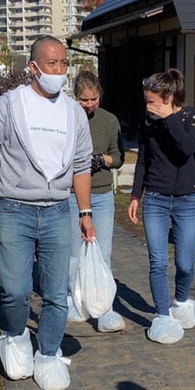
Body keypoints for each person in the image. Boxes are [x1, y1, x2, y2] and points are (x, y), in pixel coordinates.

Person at [0, 35, 95, 390]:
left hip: (58, 211)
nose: (60, 71)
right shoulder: (9, 106)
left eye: (64, 64)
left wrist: (84, 211)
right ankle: (15, 334)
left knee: (56, 292)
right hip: (14, 210)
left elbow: (82, 165)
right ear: (33, 68)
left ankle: (49, 353)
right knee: (16, 290)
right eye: (52, 64)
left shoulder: (72, 112)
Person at [128, 68, 195, 344]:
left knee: (185, 263)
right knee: (158, 262)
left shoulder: (192, 116)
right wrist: (136, 195)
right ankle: (162, 315)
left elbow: (187, 149)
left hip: (187, 201)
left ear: (169, 96)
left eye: (152, 101)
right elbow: (143, 161)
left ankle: (181, 301)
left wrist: (169, 118)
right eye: (146, 101)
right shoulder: (147, 122)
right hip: (156, 200)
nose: (148, 107)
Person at [68, 70, 126, 332]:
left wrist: (102, 160)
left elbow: (119, 157)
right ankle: (75, 300)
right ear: (75, 96)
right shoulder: (67, 117)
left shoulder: (109, 121)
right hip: (71, 194)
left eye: (94, 99)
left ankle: (104, 307)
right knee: (73, 251)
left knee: (103, 251)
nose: (90, 104)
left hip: (101, 194)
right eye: (84, 99)